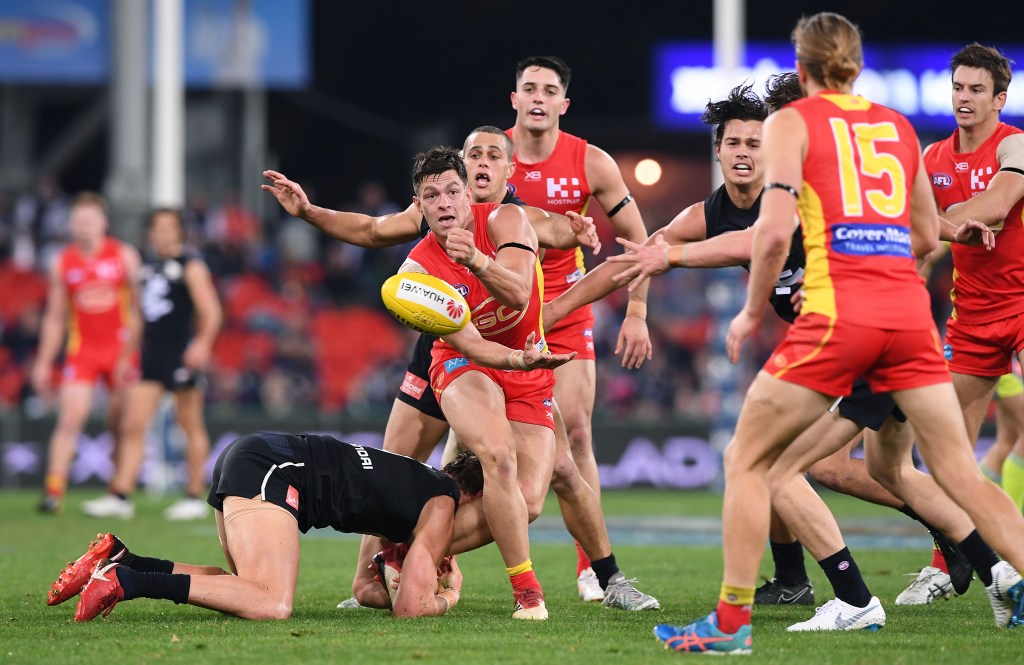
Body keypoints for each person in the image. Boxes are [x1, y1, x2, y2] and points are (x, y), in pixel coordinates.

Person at [646, 13, 1024, 654]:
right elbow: (930, 235)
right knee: (957, 471)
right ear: (856, 65)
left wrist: (749, 309)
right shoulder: (900, 128)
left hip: (846, 316)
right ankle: (1002, 572)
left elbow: (769, 233)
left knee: (753, 462)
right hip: (913, 319)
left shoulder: (794, 123)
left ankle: (740, 624)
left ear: (803, 66)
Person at [264, 129, 658, 613]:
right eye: (475, 155)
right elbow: (370, 231)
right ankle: (371, 578)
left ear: (498, 176)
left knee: (541, 482)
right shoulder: (422, 247)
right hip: (457, 353)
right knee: (407, 461)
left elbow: (542, 262)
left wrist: (580, 238)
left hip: (516, 357)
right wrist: (307, 212)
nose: (480, 166)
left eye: (493, 157)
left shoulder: (514, 217)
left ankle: (425, 555)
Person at [49, 433, 484, 620]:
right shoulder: (441, 503)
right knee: (271, 603)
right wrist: (448, 595)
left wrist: (399, 577)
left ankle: (120, 559)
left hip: (259, 456)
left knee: (236, 589)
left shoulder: (412, 484)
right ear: (477, 498)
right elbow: (412, 608)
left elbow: (364, 591)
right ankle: (125, 581)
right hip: (274, 470)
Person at [506, 55, 653, 602]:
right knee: (465, 445)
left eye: (549, 90)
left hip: (565, 309)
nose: (538, 97)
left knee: (578, 434)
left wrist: (637, 312)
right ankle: (431, 557)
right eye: (529, 88)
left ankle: (592, 569)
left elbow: (640, 240)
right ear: (514, 99)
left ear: (564, 104)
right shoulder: (490, 156)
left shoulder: (591, 162)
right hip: (498, 311)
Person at [81, 208, 222, 520]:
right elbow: (140, 319)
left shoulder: (191, 265)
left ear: (180, 231)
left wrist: (202, 344)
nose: (162, 233)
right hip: (152, 355)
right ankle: (120, 495)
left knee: (188, 423)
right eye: (157, 228)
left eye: (168, 227)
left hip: (181, 352)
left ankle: (193, 495)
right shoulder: (147, 268)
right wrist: (125, 355)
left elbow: (211, 311)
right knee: (132, 423)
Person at [31, 192, 142, 514]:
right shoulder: (62, 262)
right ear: (71, 224)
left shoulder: (123, 256)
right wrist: (42, 361)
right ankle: (53, 492)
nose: (84, 227)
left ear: (103, 223)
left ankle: (119, 491)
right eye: (78, 221)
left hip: (120, 351)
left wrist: (130, 353)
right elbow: (54, 318)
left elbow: (136, 312)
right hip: (83, 352)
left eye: (89, 220)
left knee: (120, 422)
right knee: (70, 418)